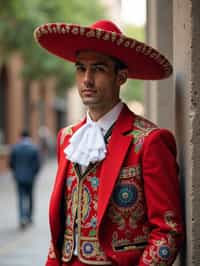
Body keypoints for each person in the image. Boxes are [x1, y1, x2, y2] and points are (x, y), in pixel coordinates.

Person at [34, 20, 184, 265]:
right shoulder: (67, 138)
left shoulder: (148, 141)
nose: (87, 79)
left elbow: (168, 231)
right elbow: (60, 228)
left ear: (121, 77)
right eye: (81, 69)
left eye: (99, 69)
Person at [9, 130, 41, 228]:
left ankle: (22, 217)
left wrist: (15, 173)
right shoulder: (34, 148)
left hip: (19, 177)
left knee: (21, 198)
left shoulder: (15, 148)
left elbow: (11, 163)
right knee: (30, 197)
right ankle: (29, 217)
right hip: (31, 177)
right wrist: (34, 174)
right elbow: (38, 164)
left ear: (21, 137)